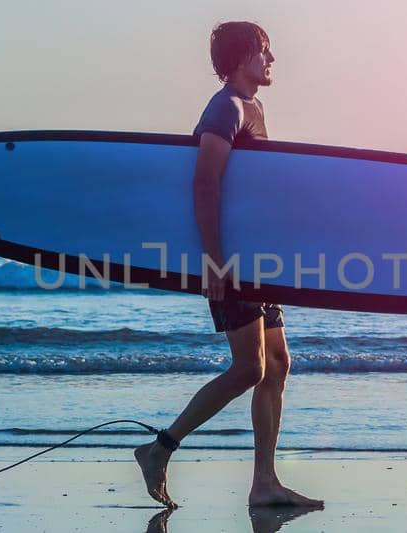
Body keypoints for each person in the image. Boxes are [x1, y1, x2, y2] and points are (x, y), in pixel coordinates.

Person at [134, 21, 324, 509]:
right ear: (242, 58)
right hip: (232, 260)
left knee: (277, 365)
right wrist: (214, 263)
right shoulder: (226, 107)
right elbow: (205, 185)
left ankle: (264, 483)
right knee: (249, 368)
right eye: (264, 51)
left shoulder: (251, 107)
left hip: (257, 260)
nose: (272, 60)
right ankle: (159, 448)